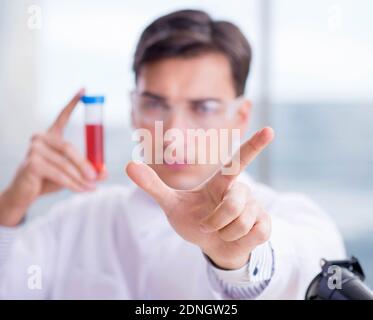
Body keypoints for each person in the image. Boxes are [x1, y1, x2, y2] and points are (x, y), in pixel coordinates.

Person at [0, 9, 345, 299]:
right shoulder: (76, 222)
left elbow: (305, 271)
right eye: (154, 103)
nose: (174, 133)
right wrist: (10, 208)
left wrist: (238, 259)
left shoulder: (295, 219)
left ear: (240, 117)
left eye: (204, 107)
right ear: (133, 110)